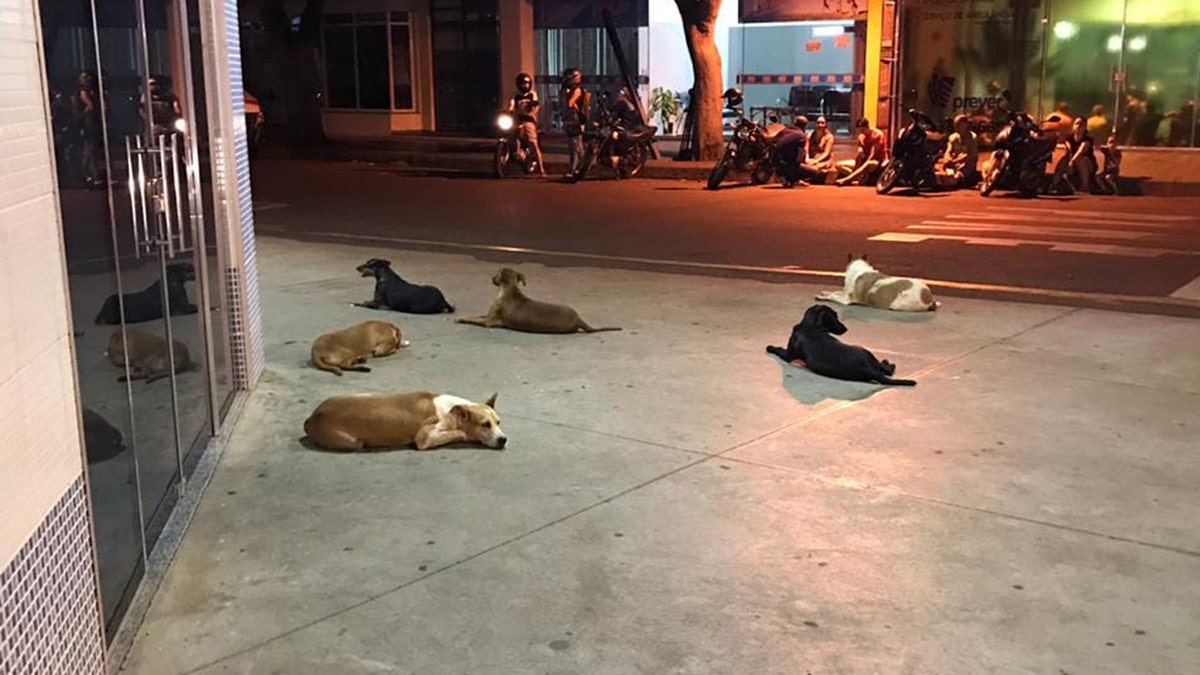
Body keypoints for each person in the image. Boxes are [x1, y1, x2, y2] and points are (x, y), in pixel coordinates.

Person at [507, 72, 545, 176]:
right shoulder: (515, 95)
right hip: (517, 120)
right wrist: (509, 111)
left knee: (533, 143)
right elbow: (511, 105)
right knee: (510, 136)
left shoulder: (532, 94)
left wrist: (531, 112)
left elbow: (536, 107)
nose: (525, 86)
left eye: (527, 84)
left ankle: (541, 169)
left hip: (529, 120)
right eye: (522, 83)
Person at [836, 117, 887, 186]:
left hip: (877, 161)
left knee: (868, 164)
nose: (861, 132)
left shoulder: (878, 135)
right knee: (839, 165)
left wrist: (862, 165)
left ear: (868, 126)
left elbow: (873, 155)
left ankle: (846, 180)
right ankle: (856, 177)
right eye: (860, 130)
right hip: (864, 159)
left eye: (863, 130)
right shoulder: (861, 136)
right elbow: (860, 153)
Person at [73, 71, 103, 188]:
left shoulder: (86, 92)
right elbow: (89, 106)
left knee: (91, 151)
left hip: (88, 124)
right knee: (89, 151)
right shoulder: (82, 92)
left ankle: (92, 175)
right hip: (87, 125)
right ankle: (87, 174)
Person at [1055, 116, 1099, 194]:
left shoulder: (1087, 139)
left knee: (1081, 159)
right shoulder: (1069, 138)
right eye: (1076, 124)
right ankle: (1054, 185)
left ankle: (1085, 187)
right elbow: (1069, 151)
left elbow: (1080, 152)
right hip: (1072, 163)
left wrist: (1071, 162)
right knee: (1063, 160)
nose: (1078, 126)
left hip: (1088, 165)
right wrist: (1069, 163)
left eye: (1081, 124)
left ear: (1085, 127)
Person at [560, 67, 589, 177]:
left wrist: (566, 95)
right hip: (570, 121)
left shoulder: (577, 90)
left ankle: (582, 167)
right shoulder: (569, 89)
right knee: (572, 147)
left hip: (576, 121)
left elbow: (570, 103)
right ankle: (574, 169)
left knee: (577, 146)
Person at [941, 113, 979, 188]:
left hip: (966, 165)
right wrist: (948, 159)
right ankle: (950, 179)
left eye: (959, 125)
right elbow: (948, 151)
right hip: (954, 164)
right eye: (956, 124)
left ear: (966, 125)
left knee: (958, 176)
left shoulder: (972, 137)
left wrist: (956, 161)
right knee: (950, 174)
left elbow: (971, 155)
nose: (956, 127)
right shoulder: (953, 137)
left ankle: (957, 179)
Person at [771, 116, 810, 187]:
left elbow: (774, 140)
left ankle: (784, 176)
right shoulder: (801, 136)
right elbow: (800, 154)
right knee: (813, 172)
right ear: (805, 126)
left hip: (774, 161)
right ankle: (795, 179)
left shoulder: (785, 130)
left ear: (795, 123)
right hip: (786, 163)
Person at [800, 115, 836, 183]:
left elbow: (826, 153)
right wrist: (807, 159)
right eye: (818, 122)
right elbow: (806, 149)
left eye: (822, 123)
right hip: (811, 160)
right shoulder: (810, 136)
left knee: (814, 167)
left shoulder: (829, 137)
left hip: (823, 161)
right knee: (803, 166)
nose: (820, 125)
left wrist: (816, 161)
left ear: (825, 124)